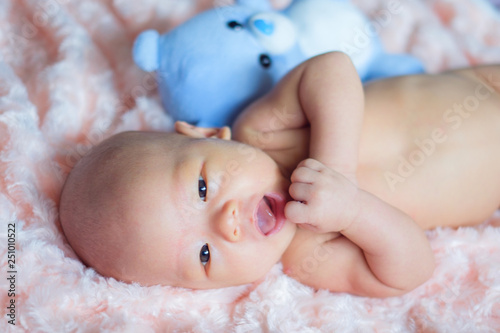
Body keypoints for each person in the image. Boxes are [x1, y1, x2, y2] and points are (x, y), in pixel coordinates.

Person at [59, 52, 500, 297]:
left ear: (210, 134)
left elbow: (332, 69)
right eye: (205, 256)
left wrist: (335, 170)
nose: (225, 223)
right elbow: (409, 271)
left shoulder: (263, 131)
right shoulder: (310, 256)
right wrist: (351, 212)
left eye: (201, 187)